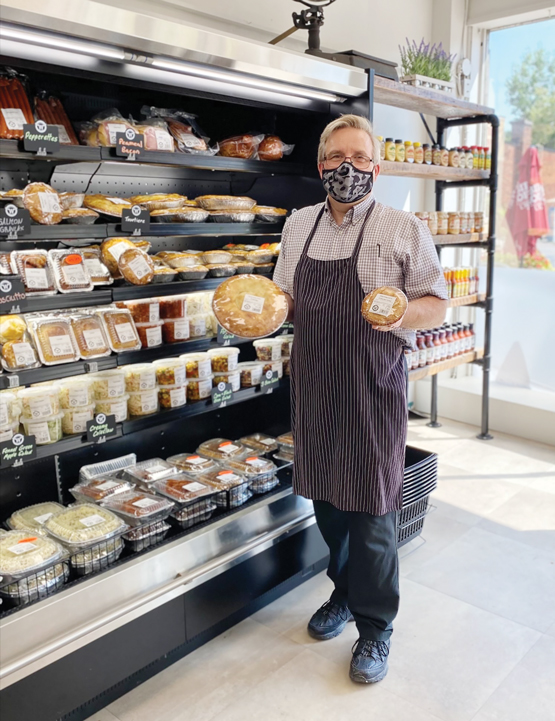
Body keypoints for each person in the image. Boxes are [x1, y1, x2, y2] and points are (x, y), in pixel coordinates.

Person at [273, 114, 448, 684]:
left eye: (360, 157)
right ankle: (343, 594)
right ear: (320, 165)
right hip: (316, 379)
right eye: (336, 157)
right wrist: (264, 311)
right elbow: (288, 300)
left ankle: (375, 631)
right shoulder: (298, 225)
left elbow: (436, 304)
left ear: (377, 165)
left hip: (373, 383)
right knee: (326, 500)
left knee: (373, 507)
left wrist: (402, 309)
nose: (347, 167)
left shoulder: (403, 227)